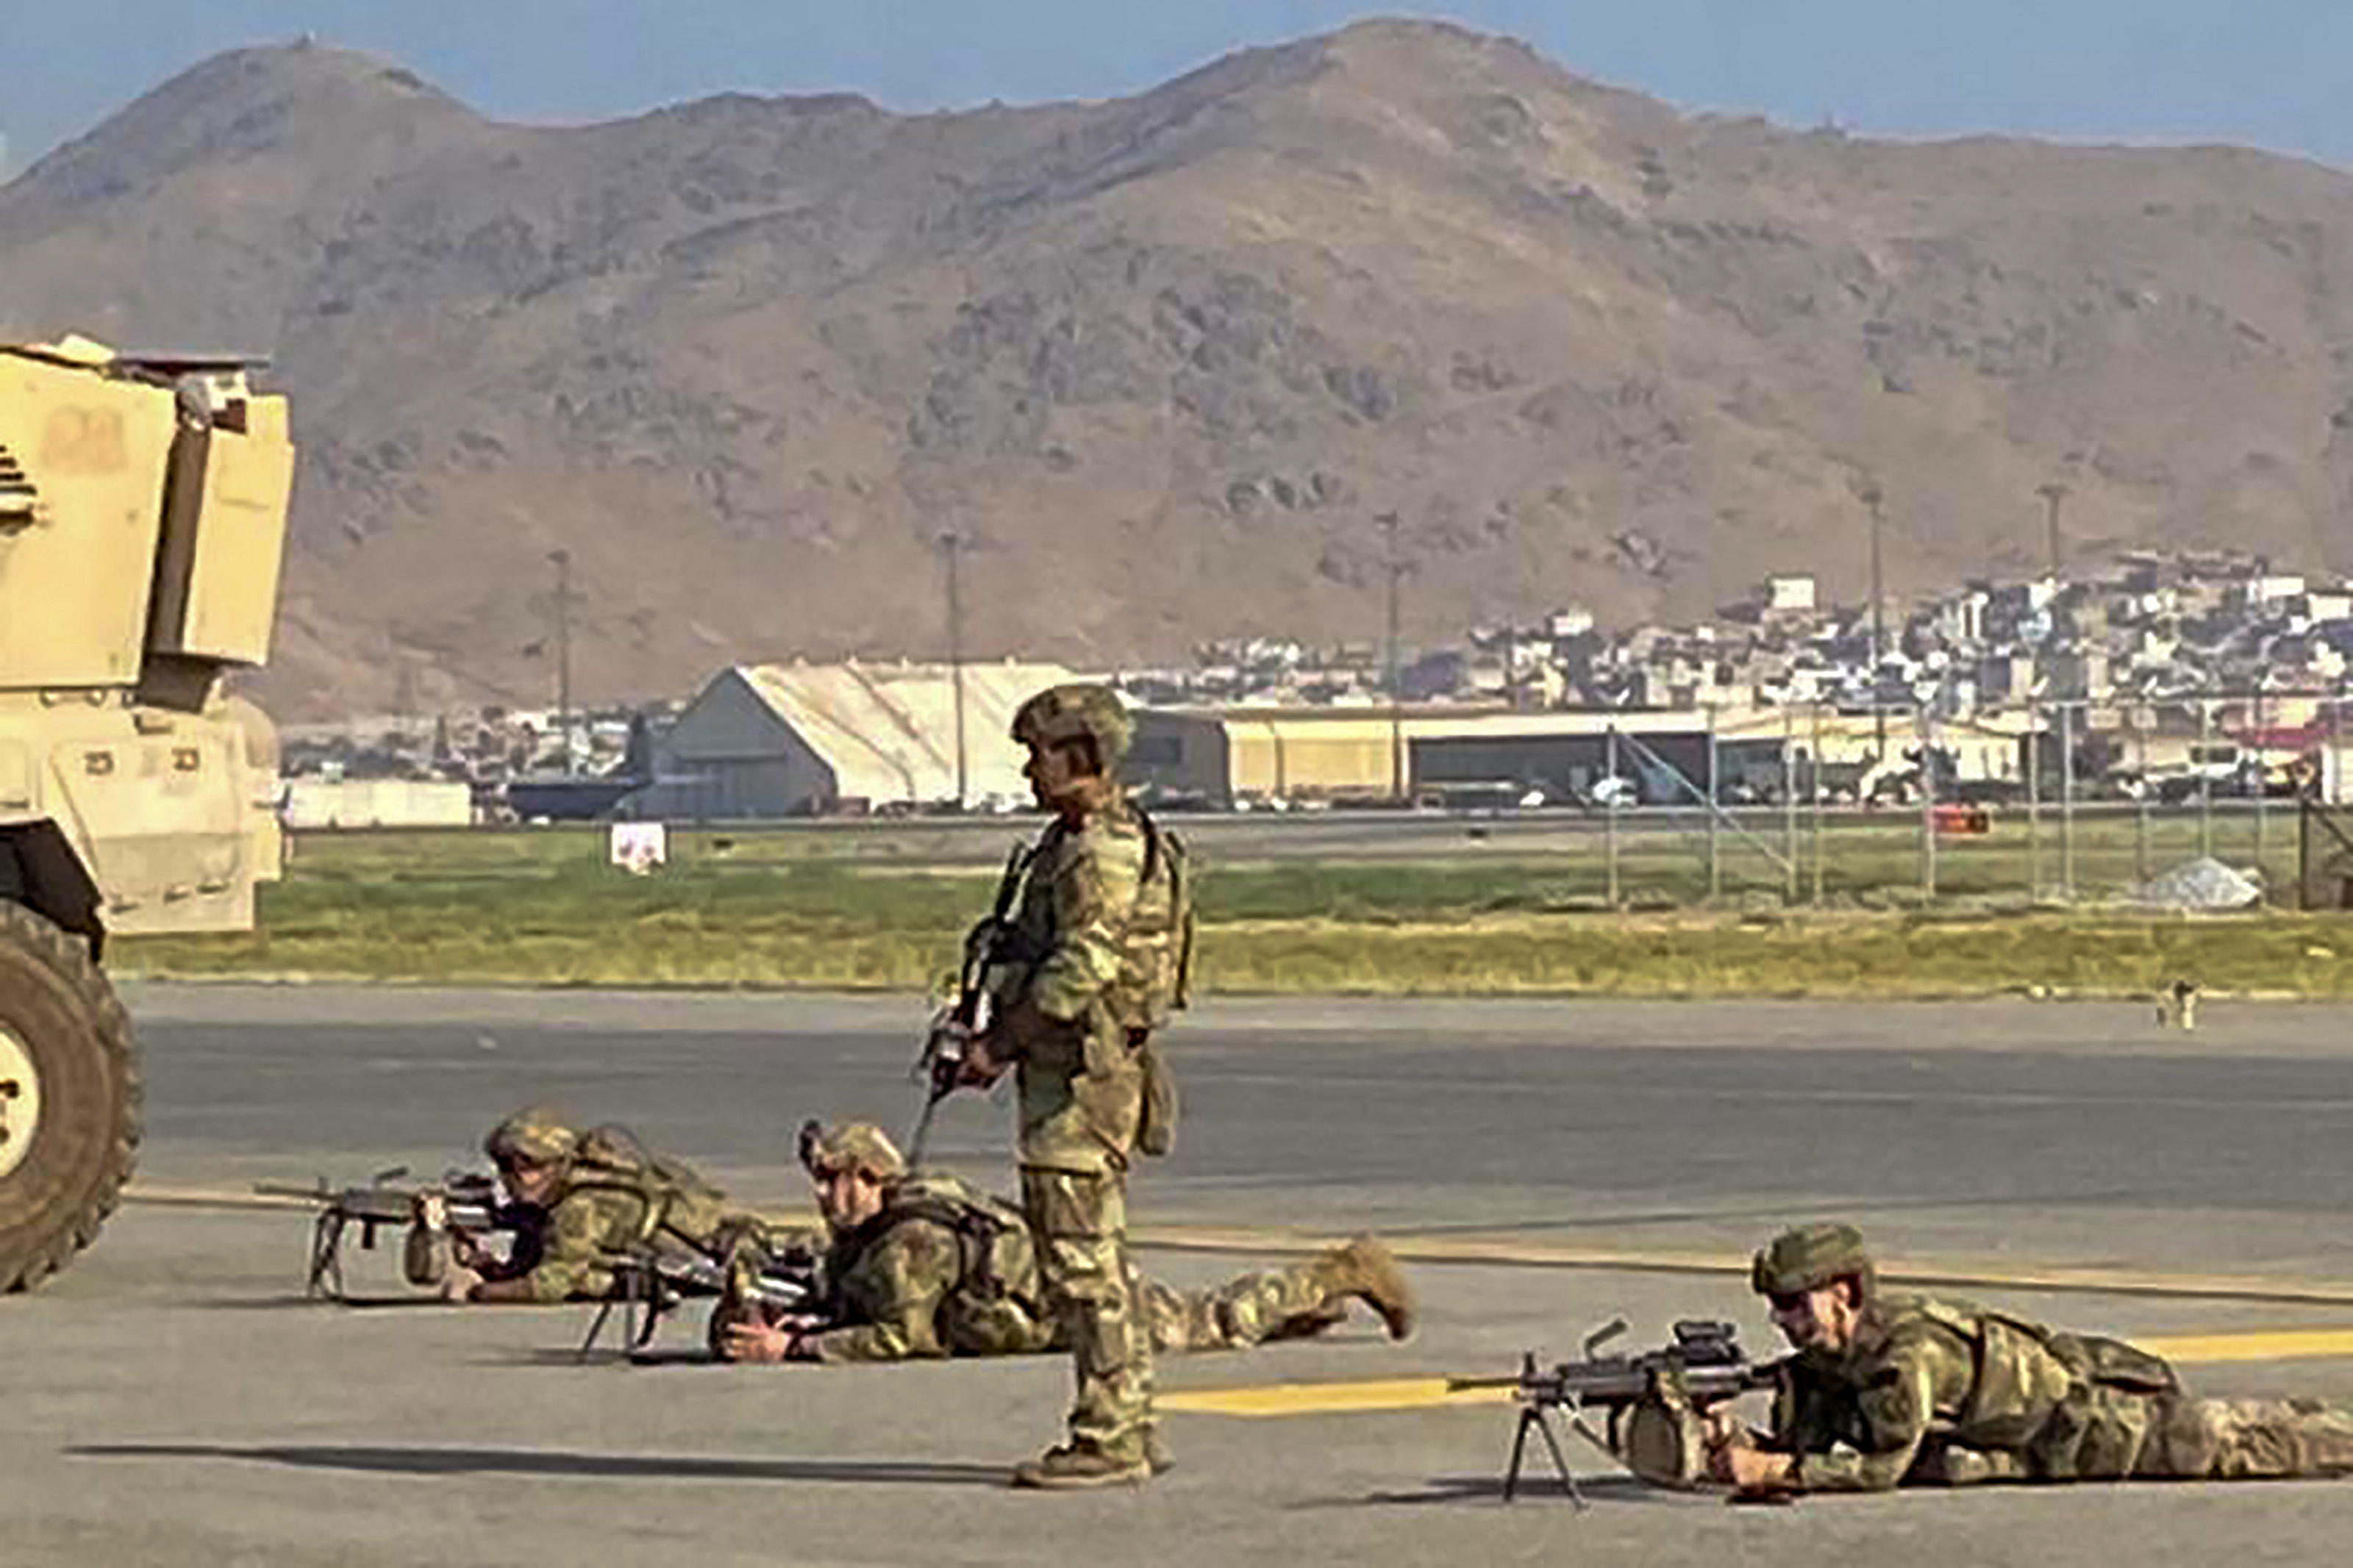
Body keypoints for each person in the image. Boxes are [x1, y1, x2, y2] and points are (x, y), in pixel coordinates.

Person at [953, 683, 1190, 1489]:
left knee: (1081, 1268)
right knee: (1100, 1264)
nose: (1027, 771)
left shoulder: (1100, 850)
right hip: (1076, 1076)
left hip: (1078, 1085)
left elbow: (1081, 967)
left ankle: (1107, 1438)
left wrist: (997, 1045)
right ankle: (1130, 1420)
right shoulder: (1074, 842)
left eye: (1039, 755)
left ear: (1081, 756)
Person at [1707, 1222, 2353, 1492]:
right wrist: (1732, 1437)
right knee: (2263, 1425)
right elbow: (1823, 1428)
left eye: (1795, 1304)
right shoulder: (1844, 1348)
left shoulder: (1906, 1355)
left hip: (2095, 1427)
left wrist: (1773, 1466)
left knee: (2252, 1439)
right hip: (2045, 1415)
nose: (1782, 1320)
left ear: (1843, 1293)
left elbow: (1879, 1468)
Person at [719, 1120, 1415, 1365]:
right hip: (1053, 1299)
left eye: (831, 1180)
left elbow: (905, 1337)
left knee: (1212, 1322)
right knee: (1211, 1319)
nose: (820, 1194)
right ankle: (1309, 1307)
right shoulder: (877, 1228)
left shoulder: (912, 1242)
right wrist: (802, 1317)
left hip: (1071, 1307)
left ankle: (1343, 1270)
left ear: (870, 1179)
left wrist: (800, 1347)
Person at [406, 1106, 767, 1305]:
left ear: (561, 1164)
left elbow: (551, 1285)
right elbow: (541, 1258)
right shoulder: (559, 1200)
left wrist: (478, 1291)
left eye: (529, 1166)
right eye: (505, 1166)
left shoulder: (581, 1205)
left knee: (591, 1280)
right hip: (679, 1262)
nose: (515, 1177)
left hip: (703, 1265)